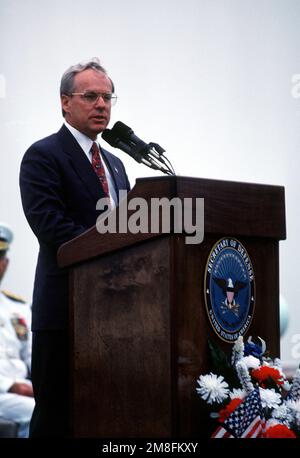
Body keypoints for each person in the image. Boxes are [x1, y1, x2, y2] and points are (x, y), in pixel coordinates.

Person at [19, 58, 130, 437]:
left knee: (105, 417)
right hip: (65, 310)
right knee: (57, 419)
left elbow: (129, 230)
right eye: (91, 96)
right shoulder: (43, 155)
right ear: (65, 102)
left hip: (116, 316)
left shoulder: (115, 164)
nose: (102, 105)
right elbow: (50, 226)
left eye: (107, 97)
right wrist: (112, 249)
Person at [0, 223, 34, 438]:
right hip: (5, 391)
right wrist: (11, 385)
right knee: (37, 413)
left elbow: (32, 355)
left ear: (6, 263)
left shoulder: (17, 308)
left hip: (24, 389)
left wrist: (44, 383)